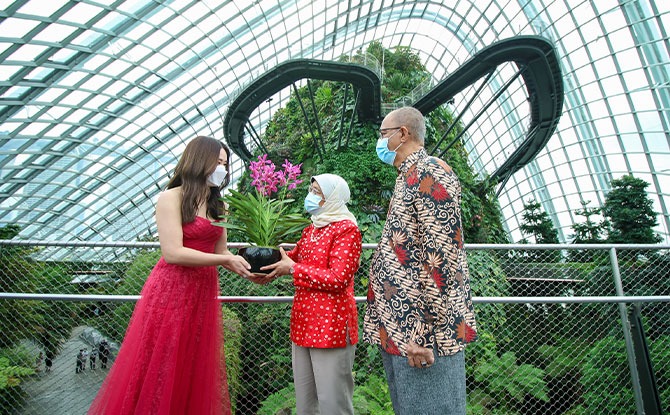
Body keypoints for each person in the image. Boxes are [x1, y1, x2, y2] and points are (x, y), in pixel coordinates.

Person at [88, 136, 253, 415]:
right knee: (162, 360)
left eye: (226, 164)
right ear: (200, 160)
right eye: (219, 162)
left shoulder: (218, 205)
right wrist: (225, 258)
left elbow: (221, 251)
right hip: (171, 290)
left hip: (202, 291)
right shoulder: (170, 198)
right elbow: (173, 253)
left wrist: (248, 269)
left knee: (191, 361)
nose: (223, 170)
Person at [363, 107, 478, 415]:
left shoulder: (429, 172)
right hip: (401, 326)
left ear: (403, 133)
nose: (380, 141)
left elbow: (440, 257)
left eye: (383, 134)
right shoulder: (406, 178)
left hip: (422, 332)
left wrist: (421, 331)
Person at [258, 174, 362, 415]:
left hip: (331, 326)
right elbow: (291, 259)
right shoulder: (311, 229)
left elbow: (339, 278)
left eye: (318, 192)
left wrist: (292, 269)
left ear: (333, 198)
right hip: (303, 323)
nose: (311, 196)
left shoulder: (347, 230)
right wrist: (265, 268)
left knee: (333, 403)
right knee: (306, 403)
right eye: (311, 189)